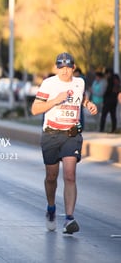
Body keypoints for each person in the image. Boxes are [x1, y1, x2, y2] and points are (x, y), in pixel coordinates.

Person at [31, 52, 97, 234]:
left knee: (70, 175)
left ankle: (69, 218)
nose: (65, 71)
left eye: (68, 67)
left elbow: (81, 97)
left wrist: (88, 104)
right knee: (51, 177)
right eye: (61, 67)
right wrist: (55, 100)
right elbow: (35, 109)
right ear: (56, 67)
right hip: (51, 134)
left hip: (71, 134)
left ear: (73, 68)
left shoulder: (79, 83)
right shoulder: (49, 84)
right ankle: (51, 207)